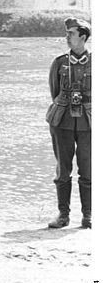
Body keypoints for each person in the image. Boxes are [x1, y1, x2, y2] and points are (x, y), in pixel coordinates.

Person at [46, 17, 91, 229]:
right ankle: (63, 215)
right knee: (63, 170)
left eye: (71, 33)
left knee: (88, 170)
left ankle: (88, 216)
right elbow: (54, 91)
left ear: (83, 36)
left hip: (89, 123)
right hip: (62, 121)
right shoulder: (59, 62)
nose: (67, 37)